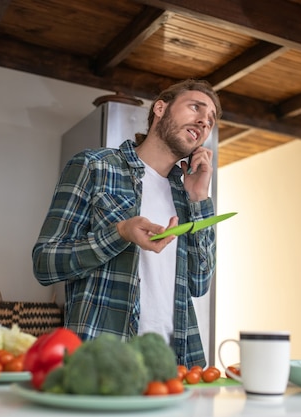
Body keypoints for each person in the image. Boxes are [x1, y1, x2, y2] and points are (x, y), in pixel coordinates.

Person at [32, 79, 222, 368]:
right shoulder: (95, 165)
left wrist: (199, 197)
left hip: (174, 364)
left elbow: (199, 284)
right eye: (195, 107)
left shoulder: (187, 195)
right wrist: (119, 233)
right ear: (160, 108)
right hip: (103, 361)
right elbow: (45, 264)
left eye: (210, 121)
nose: (203, 122)